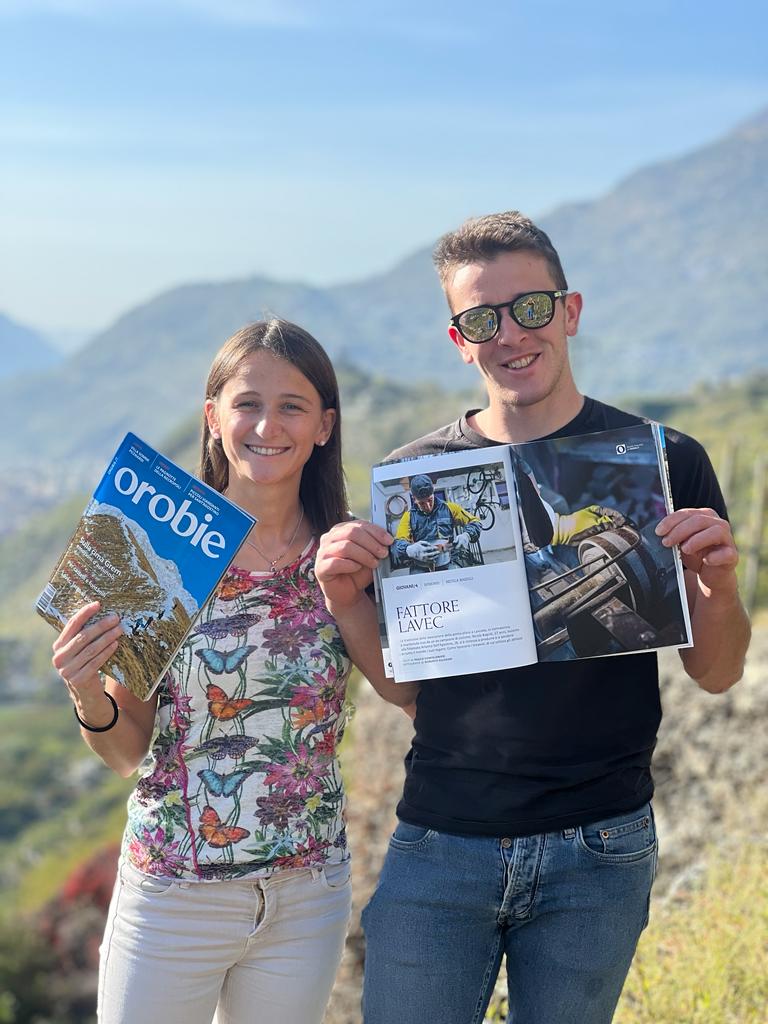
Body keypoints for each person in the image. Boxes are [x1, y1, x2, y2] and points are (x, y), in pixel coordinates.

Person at [314, 211, 751, 1024]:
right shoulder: (418, 480)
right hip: (441, 840)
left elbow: (718, 674)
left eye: (531, 308)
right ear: (460, 341)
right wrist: (346, 601)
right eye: (483, 319)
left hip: (602, 848)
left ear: (569, 311)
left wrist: (719, 587)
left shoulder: (665, 462)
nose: (511, 333)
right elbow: (408, 690)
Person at [51, 319, 413, 1024]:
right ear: (213, 418)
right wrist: (86, 689)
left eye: (292, 406)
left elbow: (406, 693)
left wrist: (347, 599)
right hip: (172, 897)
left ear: (324, 425)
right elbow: (124, 752)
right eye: (247, 403)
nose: (267, 426)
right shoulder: (168, 551)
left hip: (306, 896)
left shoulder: (349, 553)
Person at [390, 473, 481, 572]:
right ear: (414, 499)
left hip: (447, 563)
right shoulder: (408, 516)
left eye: (430, 500)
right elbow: (397, 544)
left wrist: (467, 535)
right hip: (421, 566)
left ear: (433, 492)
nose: (428, 506)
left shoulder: (450, 508)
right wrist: (409, 549)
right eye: (422, 503)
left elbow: (475, 522)